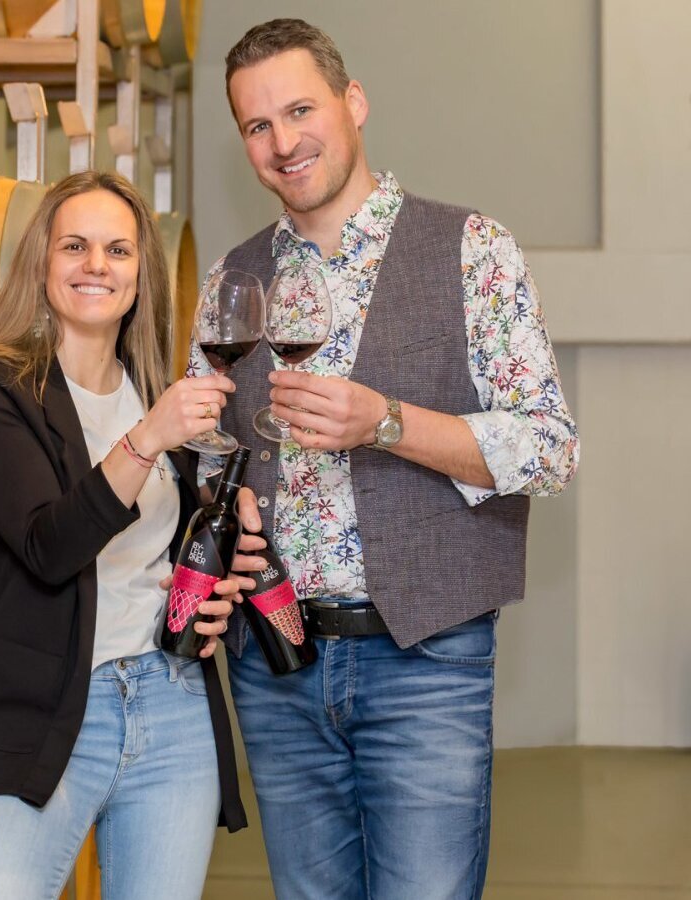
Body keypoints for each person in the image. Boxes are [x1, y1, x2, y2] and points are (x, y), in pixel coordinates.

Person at [194, 18, 581, 900]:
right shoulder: (234, 280)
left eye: (299, 110)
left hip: (426, 662)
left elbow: (549, 448)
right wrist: (226, 509)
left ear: (353, 102)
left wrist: (387, 422)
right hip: (277, 659)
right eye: (257, 125)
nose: (283, 141)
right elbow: (210, 456)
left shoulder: (473, 249)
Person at [0, 171, 249, 900]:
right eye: (76, 246)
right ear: (42, 262)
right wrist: (150, 435)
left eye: (119, 250)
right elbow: (49, 547)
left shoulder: (154, 384)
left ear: (140, 274)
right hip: (48, 708)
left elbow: (183, 543)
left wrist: (219, 594)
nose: (97, 265)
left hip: (171, 700)